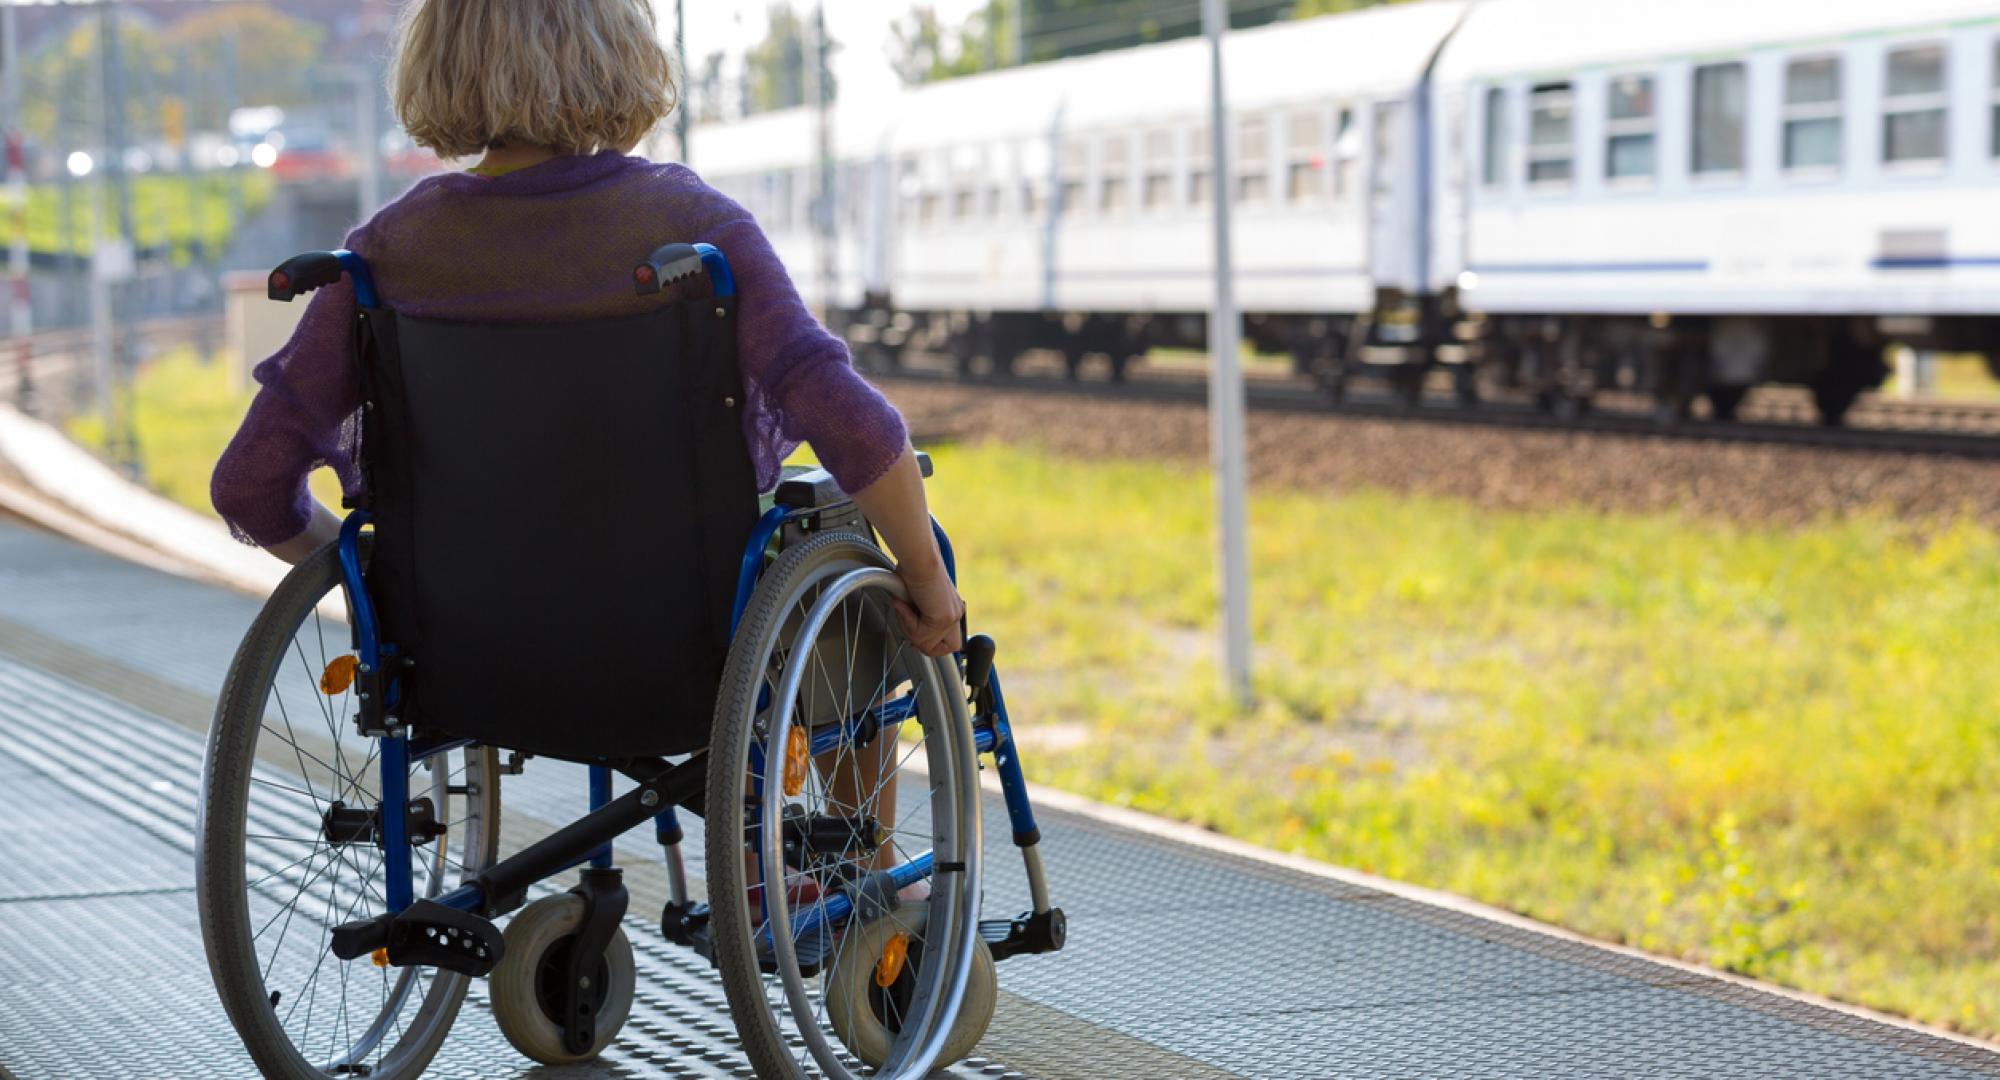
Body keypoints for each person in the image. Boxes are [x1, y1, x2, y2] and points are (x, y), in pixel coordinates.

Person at [209, 0, 963, 661]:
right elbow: (854, 425)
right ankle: (855, 829)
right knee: (850, 570)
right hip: (690, 646)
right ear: (618, 56)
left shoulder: (386, 255)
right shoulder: (692, 234)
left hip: (464, 656)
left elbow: (248, 486)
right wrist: (928, 584)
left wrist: (374, 599)